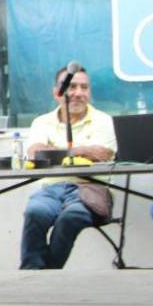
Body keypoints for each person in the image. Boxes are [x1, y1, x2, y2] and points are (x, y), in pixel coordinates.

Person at [19, 65, 117, 269]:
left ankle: (41, 275)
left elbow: (102, 154)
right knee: (35, 212)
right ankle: (30, 274)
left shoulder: (104, 121)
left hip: (90, 189)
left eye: (84, 87)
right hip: (50, 191)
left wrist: (55, 151)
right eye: (71, 87)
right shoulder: (41, 122)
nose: (78, 93)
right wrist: (81, 151)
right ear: (57, 92)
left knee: (71, 217)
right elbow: (36, 154)